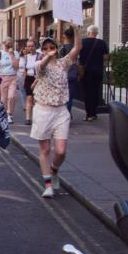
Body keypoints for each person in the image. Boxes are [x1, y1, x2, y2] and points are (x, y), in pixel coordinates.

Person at [32, 25, 81, 198]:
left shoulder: (63, 64)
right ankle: (47, 185)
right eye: (45, 48)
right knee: (45, 149)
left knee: (61, 151)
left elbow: (77, 48)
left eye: (51, 47)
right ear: (42, 50)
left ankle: (53, 171)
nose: (49, 50)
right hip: (43, 111)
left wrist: (76, 30)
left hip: (61, 111)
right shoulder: (39, 64)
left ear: (57, 48)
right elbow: (43, 65)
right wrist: (47, 57)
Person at [79, 25, 109, 122]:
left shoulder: (82, 42)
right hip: (98, 71)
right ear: (96, 33)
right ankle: (94, 113)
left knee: (87, 92)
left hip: (86, 71)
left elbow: (78, 56)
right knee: (96, 91)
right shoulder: (102, 43)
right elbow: (105, 58)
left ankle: (89, 114)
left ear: (88, 33)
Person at [58, 28, 79, 115]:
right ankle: (68, 113)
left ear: (64, 36)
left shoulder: (61, 48)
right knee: (69, 97)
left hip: (62, 74)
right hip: (73, 74)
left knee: (62, 96)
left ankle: (64, 115)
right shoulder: (74, 49)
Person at [21, 39, 39, 125]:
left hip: (37, 79)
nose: (30, 48)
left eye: (32, 46)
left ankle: (36, 118)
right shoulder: (26, 57)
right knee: (29, 98)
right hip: (28, 78)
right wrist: (23, 81)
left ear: (35, 46)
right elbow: (25, 70)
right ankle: (28, 118)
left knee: (36, 99)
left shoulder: (40, 56)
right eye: (28, 46)